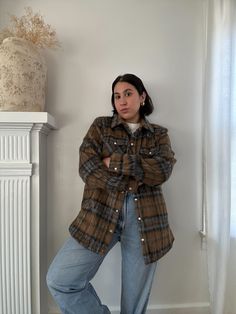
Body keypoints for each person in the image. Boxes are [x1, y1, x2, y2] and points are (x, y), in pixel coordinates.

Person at [46, 73, 176, 314]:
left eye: (128, 93)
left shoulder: (158, 134)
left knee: (134, 304)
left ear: (142, 97)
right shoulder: (100, 127)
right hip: (99, 214)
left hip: (146, 220)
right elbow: (87, 168)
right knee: (61, 280)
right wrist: (136, 175)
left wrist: (113, 162)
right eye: (117, 96)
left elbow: (162, 170)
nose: (122, 101)